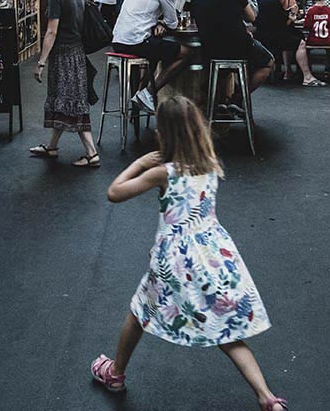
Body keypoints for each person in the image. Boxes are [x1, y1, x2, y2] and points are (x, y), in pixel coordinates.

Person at [92, 96, 284, 411]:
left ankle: (115, 373)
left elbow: (114, 193)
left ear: (163, 134)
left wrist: (140, 163)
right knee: (227, 331)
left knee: (140, 312)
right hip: (214, 256)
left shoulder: (164, 172)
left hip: (175, 261)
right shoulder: (210, 165)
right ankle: (268, 398)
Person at [30, 0, 101, 168]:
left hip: (63, 56)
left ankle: (91, 153)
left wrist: (41, 61)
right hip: (77, 54)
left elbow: (51, 32)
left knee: (70, 102)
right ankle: (52, 147)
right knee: (68, 100)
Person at [112, 0, 190, 112]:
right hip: (136, 42)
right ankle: (148, 93)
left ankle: (140, 95)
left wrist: (156, 22)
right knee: (188, 53)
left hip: (118, 40)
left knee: (154, 51)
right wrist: (161, 23)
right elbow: (173, 23)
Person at [190, 0, 274, 99]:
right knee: (268, 62)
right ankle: (238, 98)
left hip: (209, 47)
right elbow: (252, 17)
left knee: (222, 70)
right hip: (238, 46)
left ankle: (218, 100)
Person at [256, 0, 318, 84]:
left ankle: (288, 71)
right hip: (273, 36)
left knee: (293, 37)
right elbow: (284, 23)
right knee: (301, 43)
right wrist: (293, 14)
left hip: (260, 35)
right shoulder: (274, 2)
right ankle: (307, 76)